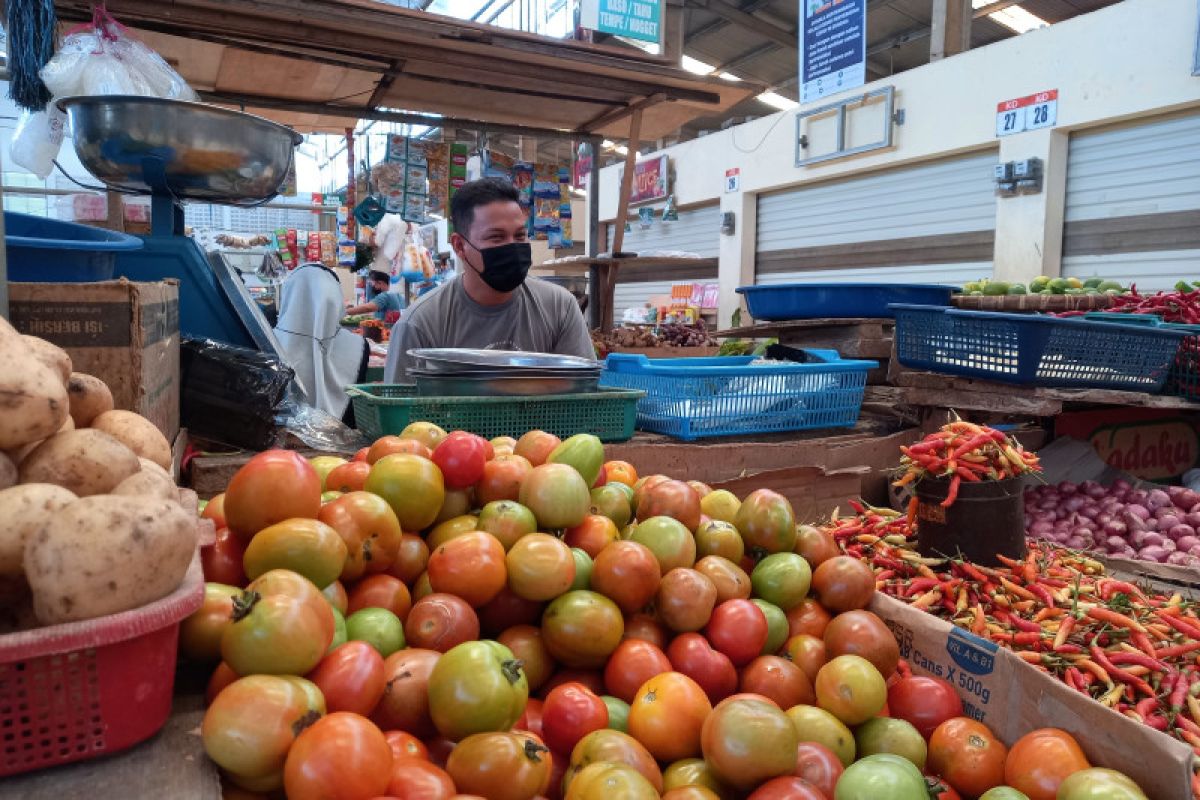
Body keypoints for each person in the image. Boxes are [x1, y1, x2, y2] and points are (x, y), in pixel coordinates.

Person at [384, 178, 595, 382]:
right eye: (496, 237)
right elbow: (403, 414)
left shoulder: (560, 307)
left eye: (520, 236)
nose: (512, 247)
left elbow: (586, 397)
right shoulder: (419, 324)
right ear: (459, 246)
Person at [275, 263, 369, 425]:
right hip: (342, 444)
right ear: (336, 300)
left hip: (277, 444)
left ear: (288, 295)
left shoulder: (268, 341)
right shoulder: (359, 346)